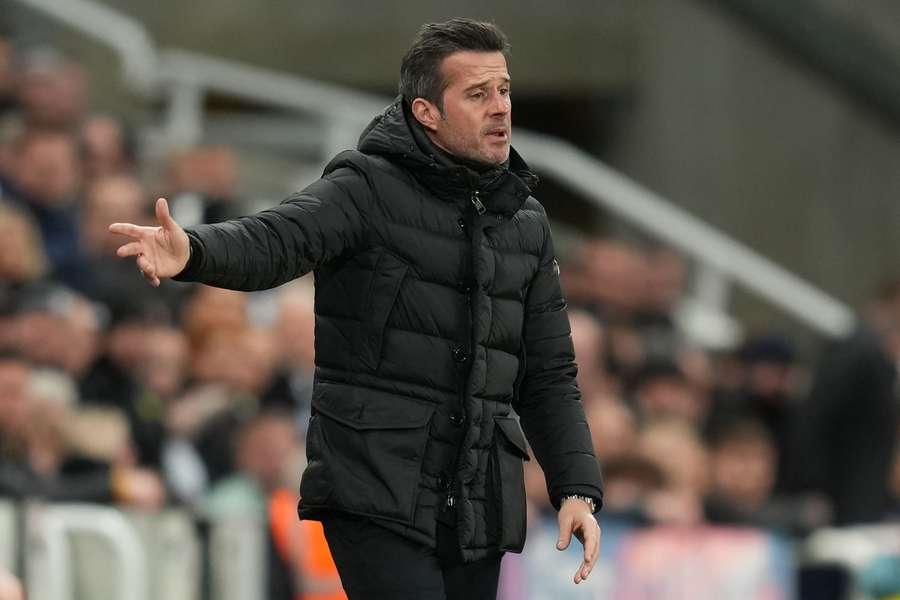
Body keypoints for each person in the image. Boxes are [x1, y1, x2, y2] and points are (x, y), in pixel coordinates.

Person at [110, 18, 603, 599]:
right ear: (426, 112)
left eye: (504, 90)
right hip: (376, 485)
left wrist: (576, 487)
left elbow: (548, 372)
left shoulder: (526, 222)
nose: (500, 108)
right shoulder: (364, 186)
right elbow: (277, 240)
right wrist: (192, 250)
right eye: (477, 94)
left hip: (479, 501)